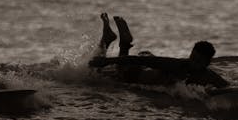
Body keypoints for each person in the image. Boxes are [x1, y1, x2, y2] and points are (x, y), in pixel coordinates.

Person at [88, 13, 228, 88]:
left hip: (144, 70)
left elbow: (229, 88)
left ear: (207, 63)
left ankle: (113, 39)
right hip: (135, 74)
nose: (192, 62)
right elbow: (142, 60)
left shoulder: (209, 76)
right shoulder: (178, 66)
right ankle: (117, 42)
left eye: (197, 61)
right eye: (192, 57)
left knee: (101, 71)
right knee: (93, 72)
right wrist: (106, 61)